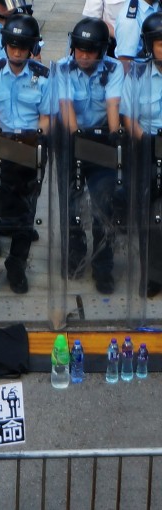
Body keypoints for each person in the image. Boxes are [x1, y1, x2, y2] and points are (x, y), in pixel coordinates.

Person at [0, 14, 51, 295]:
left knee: (26, 208)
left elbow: (47, 117)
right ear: (5, 44)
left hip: (31, 146)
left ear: (31, 49)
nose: (17, 52)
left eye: (23, 47)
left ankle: (17, 263)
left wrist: (33, 143)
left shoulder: (43, 78)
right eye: (12, 46)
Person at [57, 17, 125, 294]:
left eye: (90, 51)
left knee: (103, 207)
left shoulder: (113, 68)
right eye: (79, 50)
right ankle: (75, 257)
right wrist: (77, 142)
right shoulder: (62, 68)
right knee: (72, 207)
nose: (83, 56)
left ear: (101, 51)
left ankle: (103, 268)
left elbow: (113, 106)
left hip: (101, 140)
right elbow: (66, 108)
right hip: (72, 140)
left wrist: (113, 136)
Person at [121, 12, 162, 297]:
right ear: (149, 45)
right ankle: (153, 274)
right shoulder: (136, 74)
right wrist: (146, 142)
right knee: (149, 217)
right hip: (146, 148)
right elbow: (128, 117)